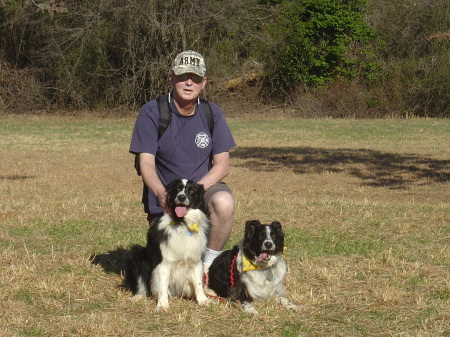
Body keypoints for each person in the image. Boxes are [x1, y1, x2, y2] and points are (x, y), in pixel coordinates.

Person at [129, 50, 236, 279]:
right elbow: (145, 164)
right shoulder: (152, 112)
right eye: (183, 76)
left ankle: (207, 267)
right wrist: (161, 194)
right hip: (166, 196)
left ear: (204, 82)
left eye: (196, 78)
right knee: (169, 268)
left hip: (200, 191)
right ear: (171, 78)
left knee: (224, 202)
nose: (189, 82)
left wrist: (196, 191)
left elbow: (222, 165)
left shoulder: (211, 113)